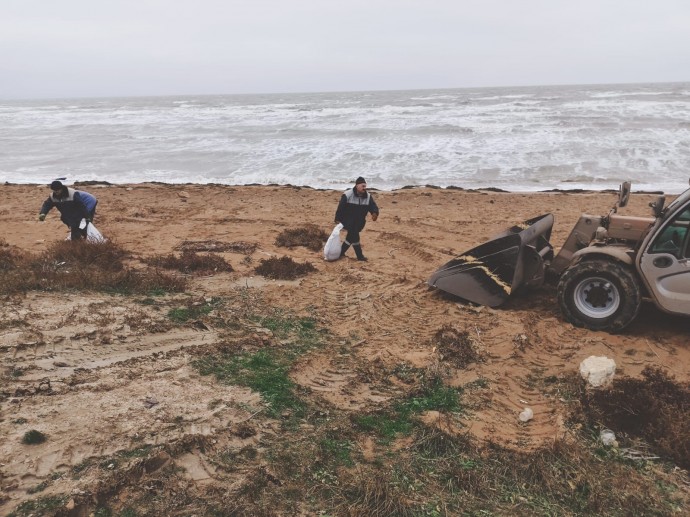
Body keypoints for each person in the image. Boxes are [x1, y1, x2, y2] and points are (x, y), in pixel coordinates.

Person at [335, 176, 379, 261]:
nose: (364, 188)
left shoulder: (368, 196)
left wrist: (375, 213)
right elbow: (340, 208)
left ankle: (341, 252)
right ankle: (360, 256)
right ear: (357, 185)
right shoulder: (347, 195)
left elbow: (373, 206)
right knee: (354, 235)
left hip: (360, 222)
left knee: (350, 238)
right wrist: (337, 218)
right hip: (348, 220)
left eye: (365, 186)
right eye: (362, 186)